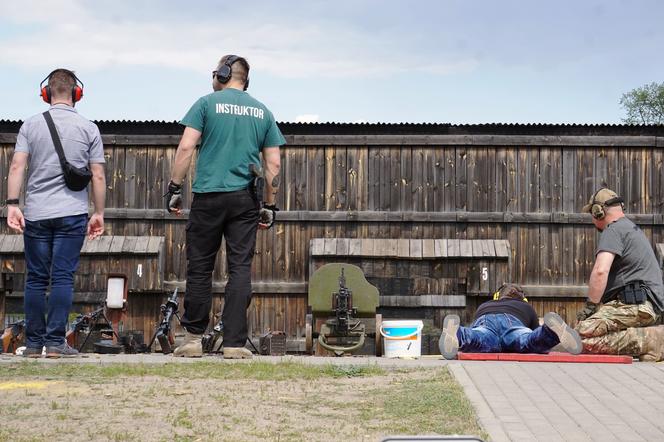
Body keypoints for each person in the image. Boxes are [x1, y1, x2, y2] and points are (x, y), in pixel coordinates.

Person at [165, 55, 284, 359]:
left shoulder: (206, 104)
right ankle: (233, 343)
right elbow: (273, 163)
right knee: (240, 268)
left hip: (208, 197)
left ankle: (192, 340)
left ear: (222, 73)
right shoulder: (263, 112)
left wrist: (175, 188)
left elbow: (186, 147)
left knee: (200, 267)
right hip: (246, 199)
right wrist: (269, 205)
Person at [6, 68, 105, 358]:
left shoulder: (31, 125)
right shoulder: (89, 128)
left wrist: (13, 204)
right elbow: (97, 175)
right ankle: (56, 344)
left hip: (36, 213)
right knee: (62, 277)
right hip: (72, 213)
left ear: (46, 93)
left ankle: (34, 344)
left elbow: (16, 167)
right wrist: (98, 212)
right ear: (77, 93)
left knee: (36, 278)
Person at [576, 188, 664, 361]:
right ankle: (648, 345)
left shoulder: (614, 230)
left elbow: (601, 270)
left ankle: (651, 340)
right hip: (643, 305)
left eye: (592, 213)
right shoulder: (629, 228)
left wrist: (591, 308)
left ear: (598, 211)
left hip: (635, 305)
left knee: (579, 336)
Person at [440, 284, 582, 359]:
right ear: (523, 299)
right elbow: (532, 333)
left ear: (497, 297)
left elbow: (477, 324)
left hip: (486, 319)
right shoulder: (526, 307)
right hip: (512, 322)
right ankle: (551, 331)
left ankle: (458, 333)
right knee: (528, 341)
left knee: (476, 337)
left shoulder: (485, 304)